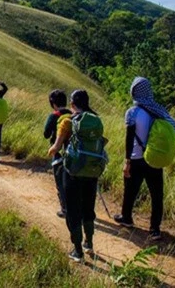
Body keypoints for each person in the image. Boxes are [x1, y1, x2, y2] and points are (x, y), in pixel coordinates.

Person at [113, 77, 175, 242]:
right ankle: (155, 229)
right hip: (154, 159)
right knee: (156, 195)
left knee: (130, 190)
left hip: (136, 159)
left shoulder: (132, 112)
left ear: (134, 91)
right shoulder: (159, 111)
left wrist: (127, 161)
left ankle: (126, 218)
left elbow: (129, 139)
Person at [48, 89, 100, 263]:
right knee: (88, 208)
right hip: (92, 171)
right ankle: (89, 243)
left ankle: (78, 251)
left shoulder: (68, 121)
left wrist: (54, 149)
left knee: (72, 211)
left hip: (72, 172)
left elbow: (55, 148)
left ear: (72, 104)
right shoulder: (96, 120)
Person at [43, 89, 72, 218]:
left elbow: (46, 134)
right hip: (72, 152)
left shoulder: (54, 116)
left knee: (60, 181)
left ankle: (65, 209)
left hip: (58, 151)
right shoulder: (73, 114)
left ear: (53, 103)